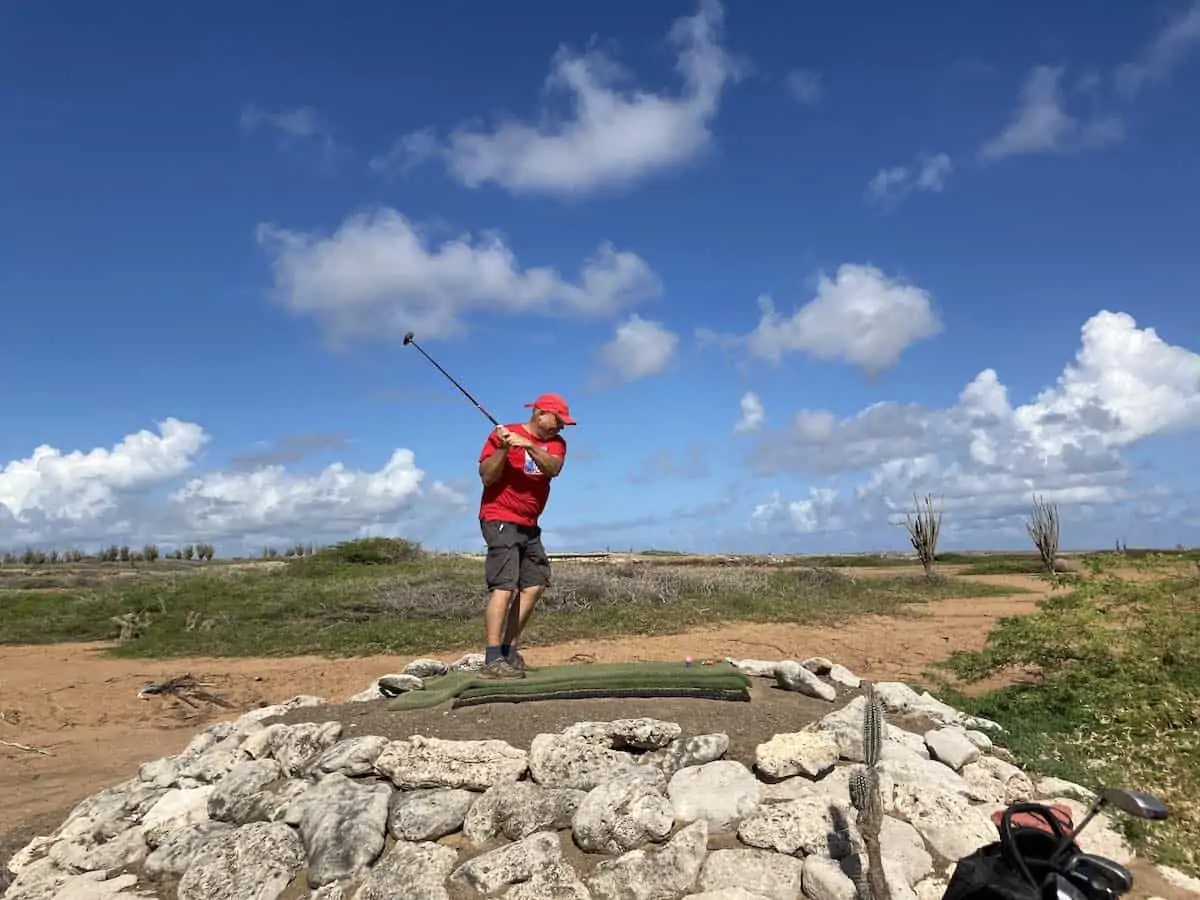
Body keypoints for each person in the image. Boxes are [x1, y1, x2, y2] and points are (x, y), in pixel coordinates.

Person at [476, 392, 574, 679]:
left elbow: (553, 469)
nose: (561, 427)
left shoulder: (556, 444)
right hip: (499, 517)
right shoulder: (501, 435)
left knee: (535, 583)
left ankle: (509, 650)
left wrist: (529, 445)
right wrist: (504, 449)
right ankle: (492, 658)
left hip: (530, 523)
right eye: (558, 420)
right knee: (505, 586)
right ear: (540, 413)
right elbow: (487, 476)